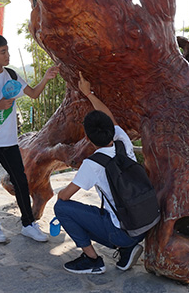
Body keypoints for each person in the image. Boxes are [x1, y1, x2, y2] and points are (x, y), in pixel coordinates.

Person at [0, 34, 58, 243]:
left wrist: (46, 77)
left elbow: (33, 94)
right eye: (3, 52)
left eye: (7, 50)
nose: (7, 55)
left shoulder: (11, 75)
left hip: (9, 141)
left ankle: (28, 224)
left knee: (21, 181)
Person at [53, 72, 145, 274]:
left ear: (87, 137)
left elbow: (64, 196)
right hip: (142, 225)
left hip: (121, 232)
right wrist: (89, 93)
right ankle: (127, 249)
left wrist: (62, 193)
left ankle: (92, 260)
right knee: (104, 211)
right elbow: (108, 118)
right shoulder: (122, 141)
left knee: (62, 208)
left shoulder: (93, 163)